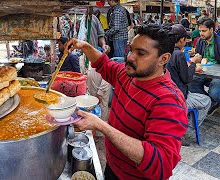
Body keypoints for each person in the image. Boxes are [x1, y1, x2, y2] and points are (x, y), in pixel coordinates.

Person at [65, 24, 188, 179]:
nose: (130, 57)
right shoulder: (128, 75)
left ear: (163, 59)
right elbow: (104, 64)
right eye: (131, 50)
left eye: (141, 53)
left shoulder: (169, 101)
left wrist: (100, 125)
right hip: (113, 168)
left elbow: (161, 163)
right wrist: (84, 46)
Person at [167, 24, 211, 145]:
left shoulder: (165, 51)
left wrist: (190, 66)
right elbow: (186, 79)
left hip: (168, 93)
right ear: (181, 40)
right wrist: (193, 62)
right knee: (207, 100)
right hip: (179, 96)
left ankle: (181, 123)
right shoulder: (178, 54)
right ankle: (184, 130)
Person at [84, 10, 111, 123]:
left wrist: (103, 45)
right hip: (88, 61)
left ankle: (101, 132)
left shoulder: (94, 19)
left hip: (95, 55)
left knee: (101, 104)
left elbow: (101, 35)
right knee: (91, 103)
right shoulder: (82, 20)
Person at [189, 17, 220, 114]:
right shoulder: (200, 41)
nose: (201, 33)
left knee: (215, 92)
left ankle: (214, 100)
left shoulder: (219, 42)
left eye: (204, 31)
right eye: (200, 31)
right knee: (190, 83)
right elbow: (198, 57)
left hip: (217, 74)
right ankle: (209, 102)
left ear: (211, 29)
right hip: (203, 71)